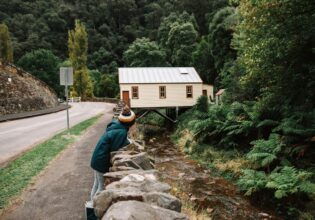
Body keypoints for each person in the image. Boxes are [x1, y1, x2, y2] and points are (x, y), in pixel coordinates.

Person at [90, 106, 136, 200]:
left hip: (96, 158)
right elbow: (116, 148)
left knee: (96, 184)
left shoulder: (116, 125)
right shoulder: (121, 132)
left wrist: (126, 140)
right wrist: (128, 142)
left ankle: (90, 205)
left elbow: (115, 140)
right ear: (130, 123)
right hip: (101, 162)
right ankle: (93, 208)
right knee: (101, 187)